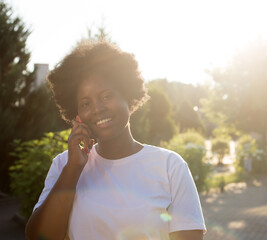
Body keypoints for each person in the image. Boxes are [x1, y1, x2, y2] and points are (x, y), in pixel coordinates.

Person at [25, 41, 206, 240]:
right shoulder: (63, 165)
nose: (97, 109)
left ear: (127, 96)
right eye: (85, 103)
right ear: (77, 114)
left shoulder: (170, 166)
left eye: (107, 96)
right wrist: (73, 169)